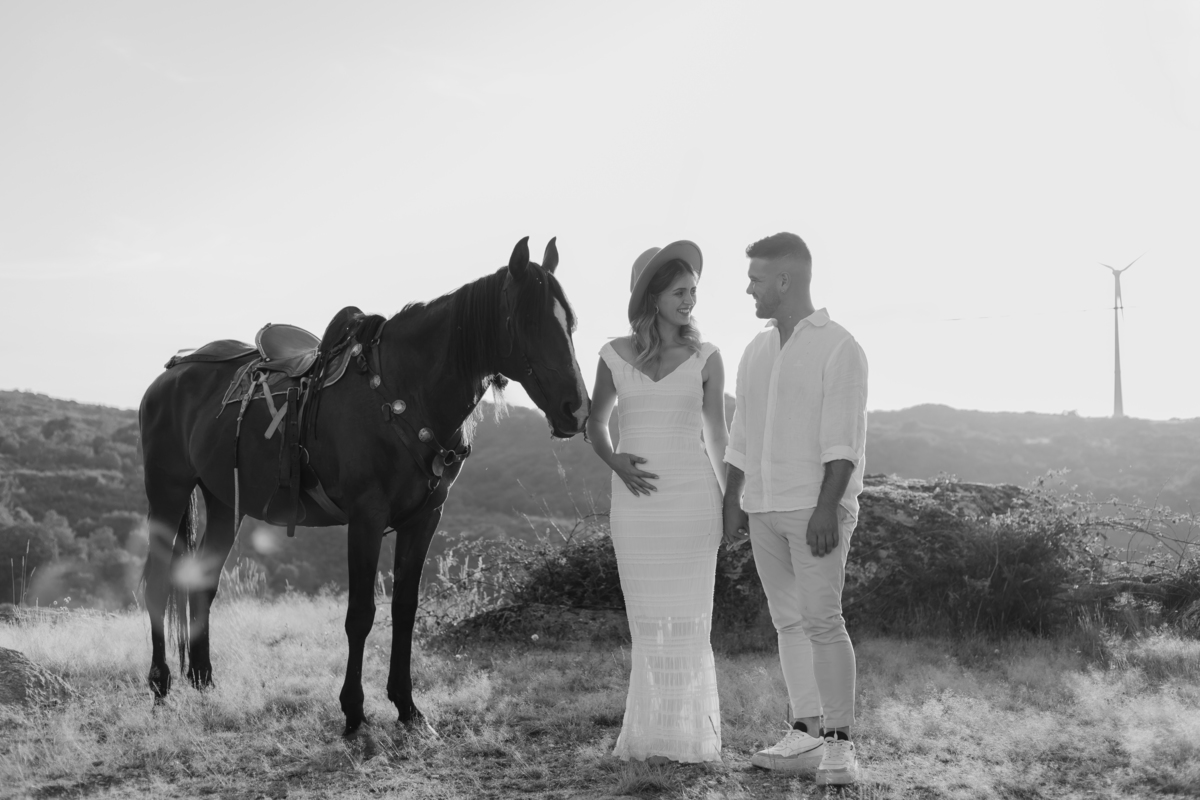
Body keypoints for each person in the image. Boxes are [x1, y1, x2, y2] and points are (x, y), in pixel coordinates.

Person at [722, 232, 868, 786]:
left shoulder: (839, 346)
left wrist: (828, 509)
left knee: (823, 622)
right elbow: (742, 434)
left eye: (757, 278)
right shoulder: (756, 350)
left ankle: (840, 746)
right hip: (763, 507)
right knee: (788, 622)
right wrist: (732, 501)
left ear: (784, 280)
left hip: (816, 509)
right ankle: (806, 732)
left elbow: (843, 444)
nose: (749, 288)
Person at [586, 241, 729, 765]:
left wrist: (730, 498)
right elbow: (596, 423)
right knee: (648, 620)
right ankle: (652, 733)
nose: (690, 300)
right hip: (637, 505)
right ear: (653, 296)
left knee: (691, 619)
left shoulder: (707, 357)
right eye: (679, 291)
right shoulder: (613, 355)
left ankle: (687, 735)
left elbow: (718, 435)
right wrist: (614, 461)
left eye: (693, 291)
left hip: (693, 500)